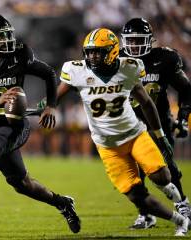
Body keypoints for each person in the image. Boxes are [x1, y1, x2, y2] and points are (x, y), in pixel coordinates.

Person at [55, 28, 189, 236]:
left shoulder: (129, 67)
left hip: (134, 135)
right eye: (89, 52)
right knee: (136, 196)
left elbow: (146, 103)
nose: (92, 56)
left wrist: (160, 135)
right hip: (107, 147)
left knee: (161, 175)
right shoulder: (76, 70)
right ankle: (180, 221)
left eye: (98, 52)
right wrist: (46, 107)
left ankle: (181, 202)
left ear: (112, 51)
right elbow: (55, 97)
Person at [0, 14, 80, 233]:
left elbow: (49, 73)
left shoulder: (20, 54)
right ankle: (63, 203)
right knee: (22, 185)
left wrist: (51, 105)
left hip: (15, 125)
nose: (6, 41)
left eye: (7, 36)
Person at [120, 18, 191, 229]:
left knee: (165, 166)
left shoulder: (165, 58)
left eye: (138, 40)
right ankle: (145, 214)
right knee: (134, 171)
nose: (133, 45)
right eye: (130, 41)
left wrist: (182, 119)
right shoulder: (117, 60)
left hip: (157, 123)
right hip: (129, 123)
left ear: (149, 40)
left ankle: (183, 205)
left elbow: (186, 89)